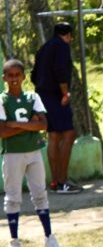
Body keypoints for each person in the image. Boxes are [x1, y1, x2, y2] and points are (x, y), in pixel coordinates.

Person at [0, 59, 62, 247]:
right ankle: (14, 241)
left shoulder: (32, 96)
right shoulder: (2, 100)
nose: (14, 79)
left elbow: (43, 125)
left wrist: (14, 124)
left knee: (40, 194)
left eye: (17, 75)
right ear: (4, 78)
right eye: (10, 75)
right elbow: (2, 132)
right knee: (12, 197)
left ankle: (49, 237)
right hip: (12, 154)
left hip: (34, 152)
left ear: (24, 77)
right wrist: (28, 124)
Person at [31, 22, 80, 194]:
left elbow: (33, 75)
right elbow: (60, 70)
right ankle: (62, 181)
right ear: (68, 35)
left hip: (43, 95)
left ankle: (55, 182)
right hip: (56, 96)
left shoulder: (44, 48)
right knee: (68, 134)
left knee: (54, 136)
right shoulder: (62, 46)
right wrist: (65, 93)